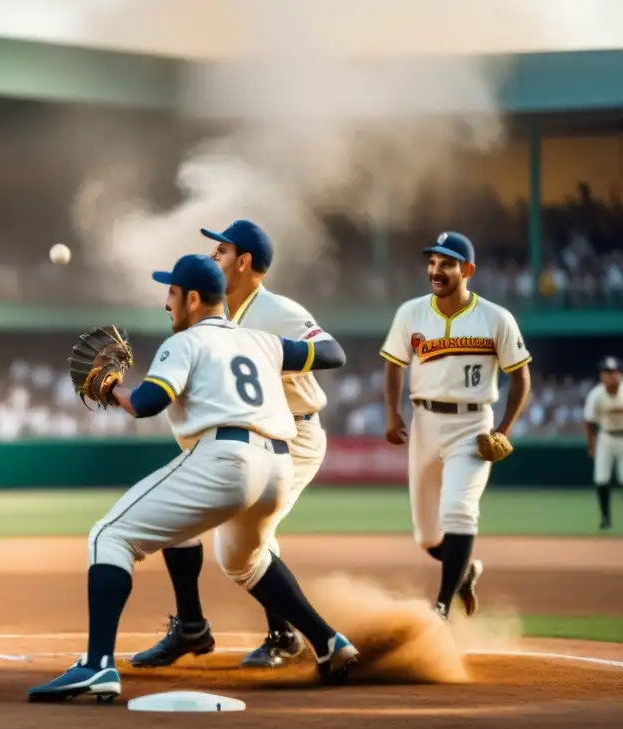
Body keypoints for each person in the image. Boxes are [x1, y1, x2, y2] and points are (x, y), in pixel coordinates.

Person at [27, 253, 357, 703]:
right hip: (279, 465)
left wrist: (110, 388)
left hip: (226, 461)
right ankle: (328, 643)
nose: (167, 303)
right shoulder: (262, 341)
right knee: (246, 560)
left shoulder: (183, 343)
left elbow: (147, 402)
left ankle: (97, 665)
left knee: (110, 535)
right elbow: (325, 354)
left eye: (172, 293)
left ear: (194, 299)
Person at [131, 220, 343, 670]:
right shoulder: (217, 314)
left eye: (221, 252)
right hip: (245, 433)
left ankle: (288, 637)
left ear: (244, 261)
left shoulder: (277, 310)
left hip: (294, 433)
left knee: (243, 548)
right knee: (180, 511)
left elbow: (332, 352)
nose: (213, 259)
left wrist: (276, 353)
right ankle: (191, 626)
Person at [380, 232, 531, 619]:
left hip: (472, 425)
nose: (436, 269)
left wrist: (504, 429)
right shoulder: (410, 313)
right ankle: (464, 572)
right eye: (432, 262)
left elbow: (521, 376)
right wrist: (392, 413)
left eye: (446, 263)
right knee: (428, 537)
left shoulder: (495, 318)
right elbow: (394, 363)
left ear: (467, 270)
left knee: (459, 511)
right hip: (424, 422)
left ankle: (442, 607)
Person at [583, 356, 622, 531]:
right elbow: (589, 422)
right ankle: (605, 519)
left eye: (613, 372)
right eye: (606, 372)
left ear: (620, 374)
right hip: (605, 437)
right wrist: (591, 444)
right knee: (601, 478)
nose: (609, 376)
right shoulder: (596, 394)